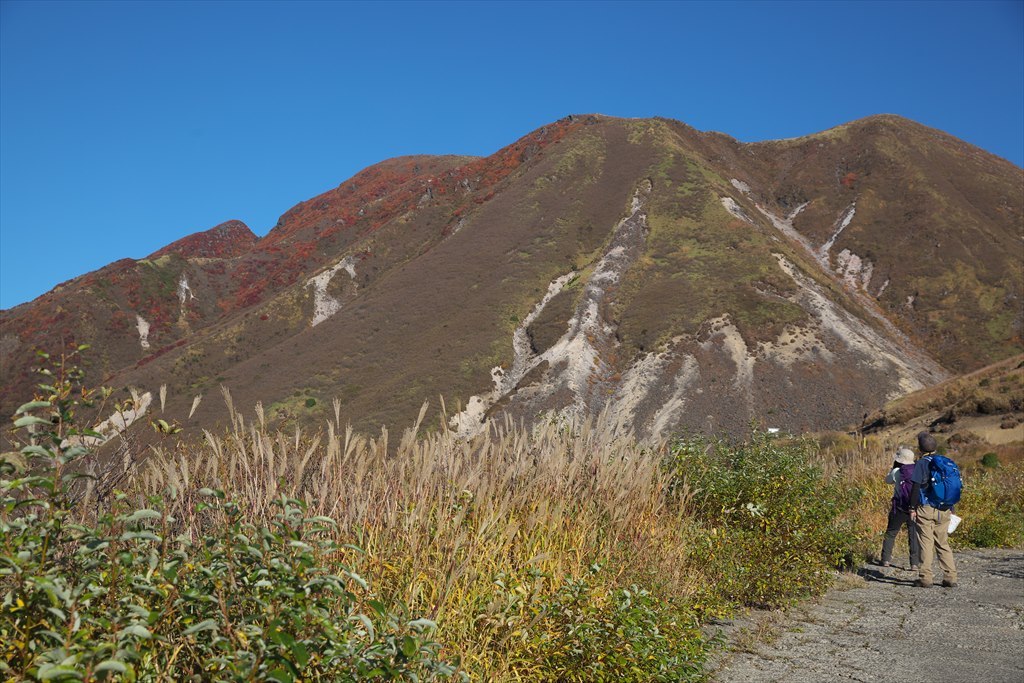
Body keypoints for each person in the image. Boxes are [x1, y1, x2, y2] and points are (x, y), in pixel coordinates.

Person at [909, 431, 958, 588]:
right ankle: (950, 577)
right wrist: (952, 508)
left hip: (926, 508)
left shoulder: (922, 464)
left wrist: (911, 507)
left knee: (926, 543)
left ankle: (925, 578)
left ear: (920, 449)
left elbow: (916, 487)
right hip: (944, 508)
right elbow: (950, 487)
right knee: (943, 543)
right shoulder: (946, 462)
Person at [878, 447, 921, 569]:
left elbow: (887, 481)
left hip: (899, 507)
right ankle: (914, 563)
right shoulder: (918, 471)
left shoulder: (897, 471)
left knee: (891, 533)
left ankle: (886, 559)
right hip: (914, 508)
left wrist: (892, 469)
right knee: (913, 535)